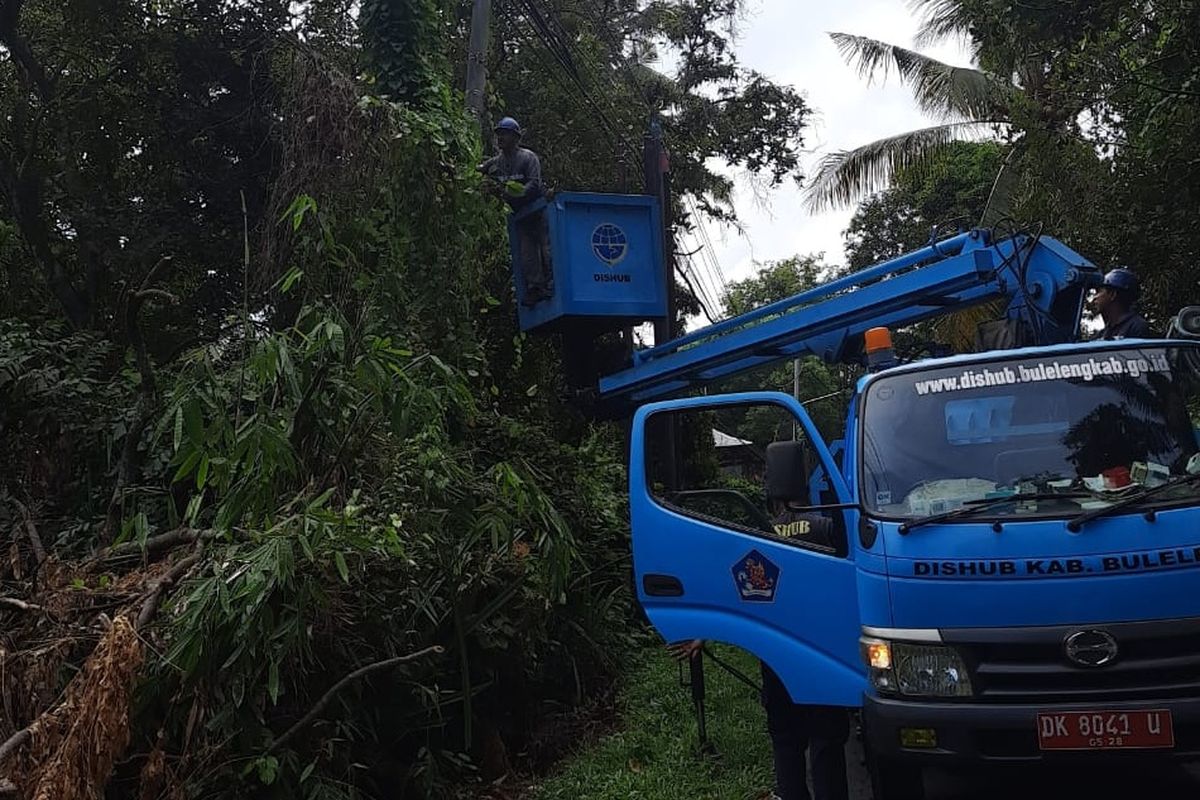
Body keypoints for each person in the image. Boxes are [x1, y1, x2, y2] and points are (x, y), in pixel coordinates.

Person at [667, 498, 849, 800]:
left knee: (785, 739)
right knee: (826, 738)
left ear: (772, 500)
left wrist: (703, 632)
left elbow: (732, 591)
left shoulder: (759, 536)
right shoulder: (824, 528)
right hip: (821, 654)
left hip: (776, 657)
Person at [478, 117, 552, 306]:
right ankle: (536, 288)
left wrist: (512, 194)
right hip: (521, 216)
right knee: (527, 254)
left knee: (547, 249)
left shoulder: (528, 157)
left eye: (504, 134)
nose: (500, 138)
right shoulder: (496, 163)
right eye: (499, 134)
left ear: (516, 138)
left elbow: (534, 184)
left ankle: (553, 284)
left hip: (538, 211)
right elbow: (476, 171)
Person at [1093, 267, 1154, 340]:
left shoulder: (1137, 327)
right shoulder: (1102, 334)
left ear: (1112, 294)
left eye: (1099, 292)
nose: (1094, 297)